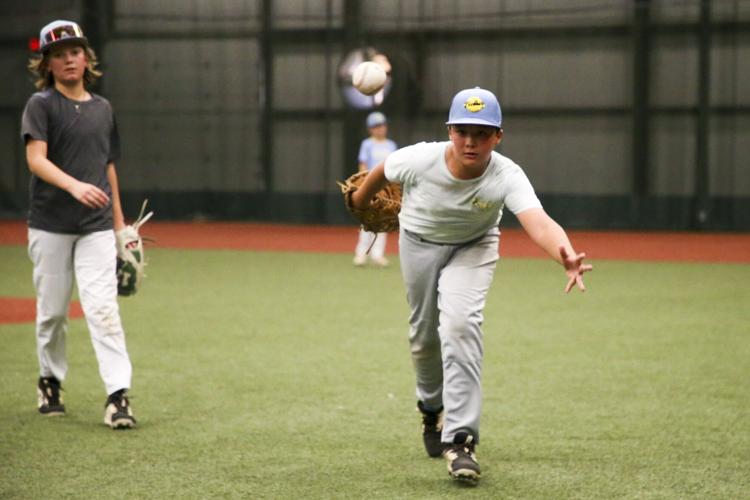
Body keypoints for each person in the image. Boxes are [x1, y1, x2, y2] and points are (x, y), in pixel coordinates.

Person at [351, 87, 592, 483]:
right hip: (419, 244)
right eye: (463, 130)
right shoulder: (419, 159)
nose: (470, 141)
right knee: (424, 337)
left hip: (474, 247)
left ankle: (461, 439)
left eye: (481, 133)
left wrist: (563, 254)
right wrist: (361, 202)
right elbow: (381, 173)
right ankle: (431, 408)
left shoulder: (506, 174)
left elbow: (539, 220)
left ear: (497, 137)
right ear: (449, 130)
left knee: (461, 325)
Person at [22, 20, 136, 429]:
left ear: (86, 58)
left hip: (96, 226)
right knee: (52, 312)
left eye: (75, 51)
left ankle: (118, 396)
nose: (68, 58)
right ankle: (50, 380)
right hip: (50, 224)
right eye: (59, 53)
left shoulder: (102, 109)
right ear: (48, 64)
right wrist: (74, 186)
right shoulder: (41, 105)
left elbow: (108, 168)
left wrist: (122, 228)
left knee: (103, 310)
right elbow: (36, 159)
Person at [353, 111, 398, 267]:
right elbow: (363, 164)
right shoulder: (367, 144)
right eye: (376, 126)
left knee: (383, 220)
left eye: (382, 125)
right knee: (367, 220)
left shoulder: (391, 145)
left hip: (387, 188)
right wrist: (363, 183)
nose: (380, 129)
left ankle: (378, 255)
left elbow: (395, 166)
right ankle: (361, 254)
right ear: (370, 129)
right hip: (370, 187)